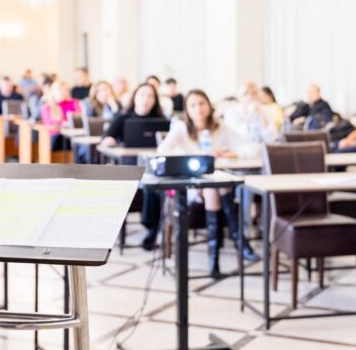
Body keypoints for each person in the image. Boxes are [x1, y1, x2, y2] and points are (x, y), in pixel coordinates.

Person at [158, 89, 260, 277]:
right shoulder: (181, 128)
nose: (198, 109)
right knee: (216, 188)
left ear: (209, 105)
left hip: (215, 182)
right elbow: (163, 151)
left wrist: (226, 154)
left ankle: (216, 258)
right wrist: (192, 158)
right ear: (187, 109)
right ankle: (236, 244)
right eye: (193, 105)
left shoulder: (219, 127)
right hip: (190, 185)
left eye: (202, 103)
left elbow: (252, 148)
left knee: (218, 186)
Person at [101, 83, 166, 249]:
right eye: (142, 94)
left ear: (155, 100)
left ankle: (152, 229)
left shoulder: (161, 120)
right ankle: (150, 226)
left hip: (152, 166)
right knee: (149, 181)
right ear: (135, 97)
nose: (146, 99)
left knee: (155, 184)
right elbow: (107, 137)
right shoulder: (124, 117)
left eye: (150, 96)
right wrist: (110, 139)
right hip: (130, 167)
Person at [40, 81, 81, 149]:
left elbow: (79, 119)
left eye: (66, 90)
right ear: (53, 91)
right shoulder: (47, 107)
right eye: (60, 90)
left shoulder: (75, 102)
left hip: (74, 133)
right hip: (57, 136)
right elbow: (49, 125)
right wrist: (63, 125)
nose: (64, 92)